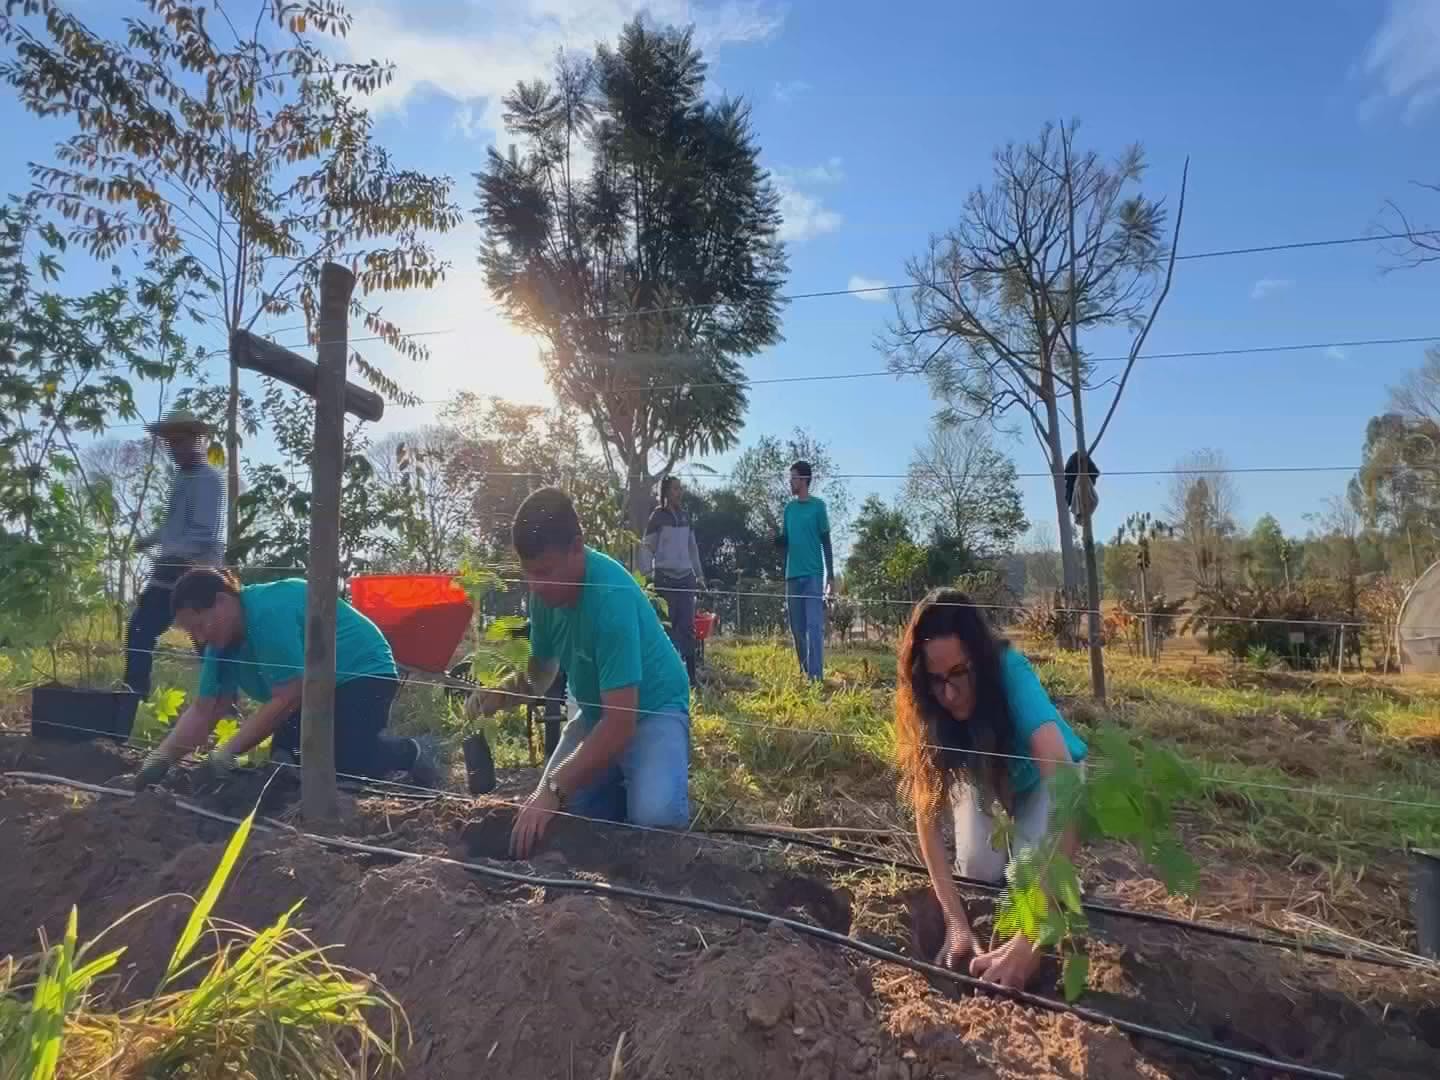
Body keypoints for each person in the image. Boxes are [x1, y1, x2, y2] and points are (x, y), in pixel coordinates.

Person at [470, 487, 691, 858]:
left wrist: (553, 789)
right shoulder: (544, 597)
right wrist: (499, 695)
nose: (536, 586)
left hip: (653, 711)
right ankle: (620, 785)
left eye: (544, 572)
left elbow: (621, 724)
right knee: (557, 823)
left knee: (655, 822)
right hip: (596, 716)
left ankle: (646, 781)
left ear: (577, 547)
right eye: (529, 574)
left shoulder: (610, 598)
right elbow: (539, 676)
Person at [895, 589, 1088, 990]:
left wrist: (1030, 941)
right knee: (979, 873)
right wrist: (956, 923)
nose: (948, 695)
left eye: (959, 674)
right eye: (936, 680)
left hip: (1042, 785)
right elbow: (926, 818)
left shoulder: (1010, 673)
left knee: (1027, 888)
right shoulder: (928, 705)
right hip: (986, 783)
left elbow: (1068, 791)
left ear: (980, 662)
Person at [131, 569, 443, 790]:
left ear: (223, 602)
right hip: (311, 690)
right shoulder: (219, 644)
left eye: (200, 625)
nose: (200, 637)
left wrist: (227, 752)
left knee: (342, 763)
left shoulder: (266, 613)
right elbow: (205, 710)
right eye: (192, 632)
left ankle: (414, 751)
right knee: (285, 760)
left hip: (362, 673)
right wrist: (159, 760)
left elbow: (289, 694)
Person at [123, 410, 227, 697]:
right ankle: (133, 697)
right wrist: (150, 540)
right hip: (172, 567)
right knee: (141, 630)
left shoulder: (207, 479)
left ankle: (221, 703)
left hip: (197, 570)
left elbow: (204, 534)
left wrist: (169, 554)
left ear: (198, 441)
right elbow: (174, 526)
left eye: (180, 442)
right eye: (171, 443)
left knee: (205, 639)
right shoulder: (183, 478)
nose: (175, 449)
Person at [639, 475, 706, 683]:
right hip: (665, 579)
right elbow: (647, 546)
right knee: (667, 627)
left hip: (685, 578)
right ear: (667, 492)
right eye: (676, 489)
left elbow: (692, 548)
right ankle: (666, 677)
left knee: (687, 627)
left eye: (680, 489)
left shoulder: (686, 516)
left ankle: (692, 678)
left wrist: (699, 574)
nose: (680, 492)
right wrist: (647, 573)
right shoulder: (658, 517)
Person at [777, 460, 833, 681]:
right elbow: (787, 541)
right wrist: (779, 542)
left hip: (813, 575)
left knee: (814, 626)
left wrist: (832, 574)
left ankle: (816, 678)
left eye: (793, 477)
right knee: (797, 629)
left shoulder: (818, 506)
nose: (790, 481)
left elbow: (826, 541)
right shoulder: (789, 509)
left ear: (803, 479)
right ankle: (805, 671)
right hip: (792, 574)